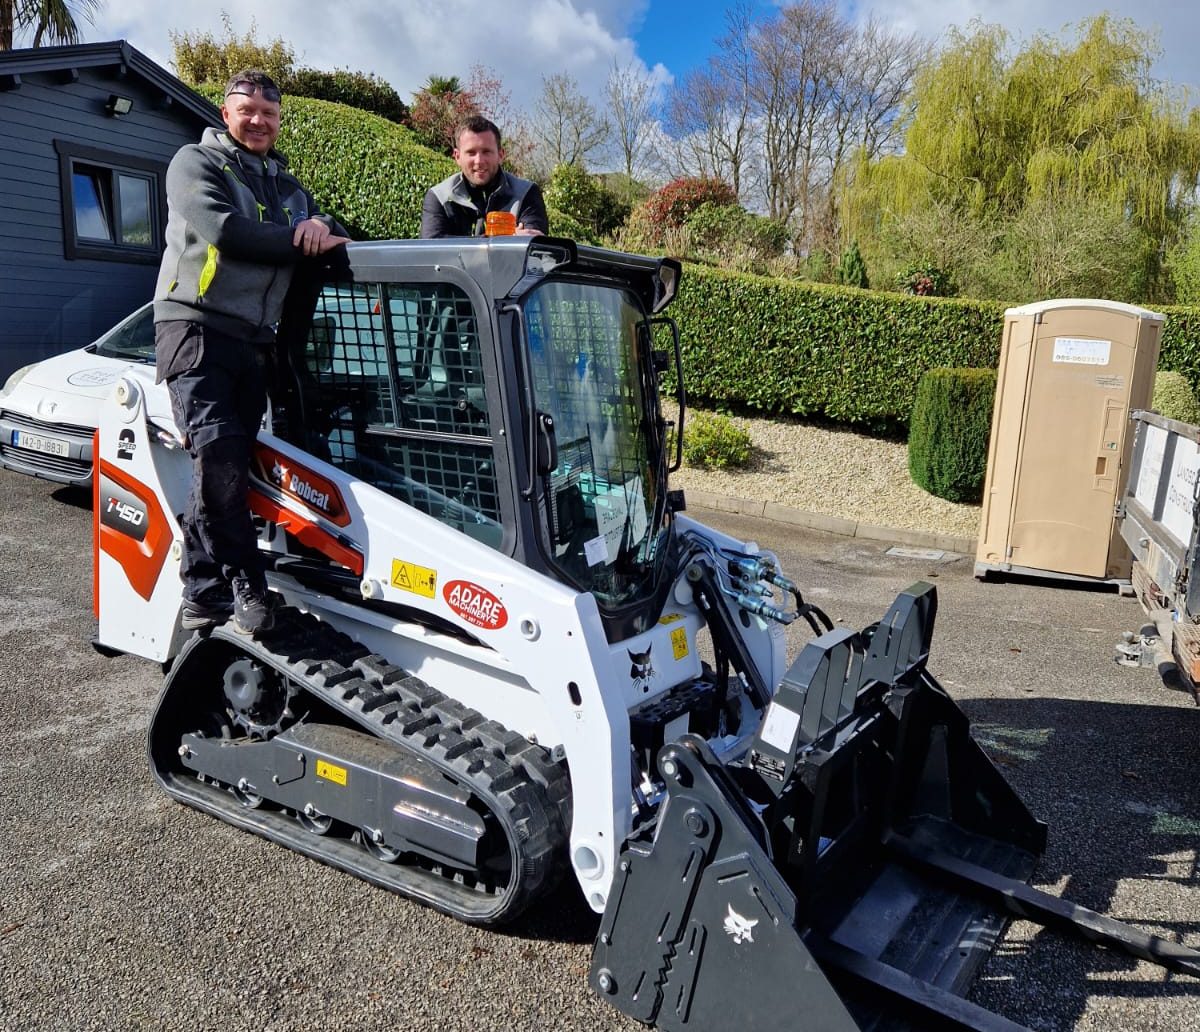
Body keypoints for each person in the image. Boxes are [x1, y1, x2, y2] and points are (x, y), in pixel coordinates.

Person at [153, 69, 350, 635]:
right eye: (249, 111)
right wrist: (301, 236)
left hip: (253, 338)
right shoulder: (196, 164)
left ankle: (201, 588)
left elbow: (328, 231)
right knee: (218, 454)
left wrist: (320, 222)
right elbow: (228, 232)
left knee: (229, 463)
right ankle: (245, 579)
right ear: (227, 112)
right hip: (195, 327)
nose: (259, 121)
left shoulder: (290, 189)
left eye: (269, 113)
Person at [421, 115, 549, 238]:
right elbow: (432, 249)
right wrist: (509, 238)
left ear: (500, 155)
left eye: (486, 152)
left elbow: (533, 246)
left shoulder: (527, 192)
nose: (479, 161)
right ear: (457, 156)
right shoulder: (438, 197)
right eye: (471, 152)